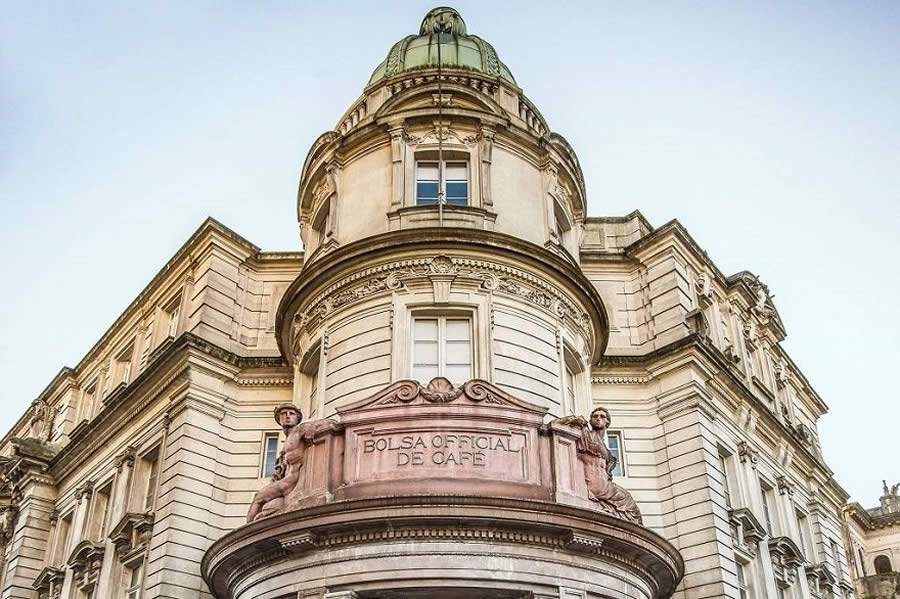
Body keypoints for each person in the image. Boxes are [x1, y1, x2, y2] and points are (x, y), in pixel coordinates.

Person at [557, 407, 642, 524]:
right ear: (590, 421)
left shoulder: (605, 448)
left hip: (603, 484)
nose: (598, 419)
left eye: (602, 416)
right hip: (596, 485)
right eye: (595, 416)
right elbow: (558, 424)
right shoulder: (586, 435)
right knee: (630, 504)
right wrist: (576, 419)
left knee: (632, 510)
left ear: (607, 422)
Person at [246, 404, 305, 522]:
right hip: (286, 481)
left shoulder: (299, 431)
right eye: (284, 414)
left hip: (290, 481)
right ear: (279, 419)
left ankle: (246, 532)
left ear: (298, 418)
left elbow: (317, 427)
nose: (287, 416)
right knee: (267, 507)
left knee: (258, 498)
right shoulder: (288, 441)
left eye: (291, 414)